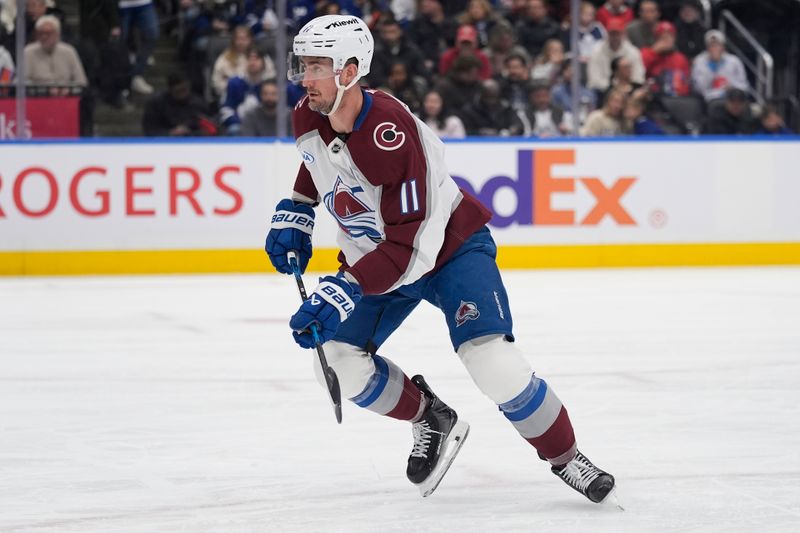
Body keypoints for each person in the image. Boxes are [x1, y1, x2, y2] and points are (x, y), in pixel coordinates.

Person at [265, 14, 617, 503]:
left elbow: (410, 247)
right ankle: (430, 416)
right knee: (340, 360)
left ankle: (566, 457)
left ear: (349, 71)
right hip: (380, 256)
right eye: (302, 65)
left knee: (491, 361)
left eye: (317, 66)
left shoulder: (391, 134)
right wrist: (297, 210)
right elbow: (317, 164)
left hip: (449, 251)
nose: (305, 78)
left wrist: (345, 288)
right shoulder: (310, 113)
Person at [23, 15, 87, 89]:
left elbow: (81, 81)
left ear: (57, 34)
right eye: (41, 33)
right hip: (38, 98)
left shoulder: (69, 51)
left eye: (48, 33)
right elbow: (21, 82)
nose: (44, 37)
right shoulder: (28, 52)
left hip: (66, 97)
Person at [142, 71, 215, 136]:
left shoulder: (197, 103)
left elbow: (208, 125)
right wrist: (170, 133)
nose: (184, 94)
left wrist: (190, 131)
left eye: (185, 89)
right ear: (171, 89)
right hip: (164, 142)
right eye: (179, 91)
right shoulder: (156, 104)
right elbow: (150, 129)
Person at [219, 49, 274, 135]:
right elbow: (226, 109)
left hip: (264, 124)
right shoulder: (234, 83)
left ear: (263, 63)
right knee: (234, 129)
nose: (252, 62)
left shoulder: (269, 85)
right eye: (249, 59)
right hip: (239, 124)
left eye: (256, 59)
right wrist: (237, 122)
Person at [587, 17, 644, 93]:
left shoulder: (633, 52)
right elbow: (594, 80)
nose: (615, 37)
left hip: (628, 91)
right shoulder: (597, 51)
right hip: (603, 91)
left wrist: (626, 88)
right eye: (612, 34)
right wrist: (614, 88)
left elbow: (638, 77)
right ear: (607, 34)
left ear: (623, 34)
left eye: (617, 33)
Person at [691, 30, 747, 103]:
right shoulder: (699, 61)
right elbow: (698, 89)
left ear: (723, 46)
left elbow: (744, 87)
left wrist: (731, 86)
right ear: (707, 47)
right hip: (707, 100)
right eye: (711, 45)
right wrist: (710, 71)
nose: (714, 48)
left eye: (717, 45)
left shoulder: (734, 61)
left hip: (730, 99)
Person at [118, 0, 159, 95]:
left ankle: (136, 74)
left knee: (152, 34)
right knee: (121, 41)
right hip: (122, 5)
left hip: (144, 3)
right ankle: (124, 80)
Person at [640, 21, 690, 97]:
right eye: (663, 37)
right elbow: (640, 72)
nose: (666, 41)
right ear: (656, 39)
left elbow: (686, 83)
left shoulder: (681, 58)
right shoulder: (646, 53)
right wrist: (654, 52)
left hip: (676, 98)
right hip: (653, 97)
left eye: (669, 37)